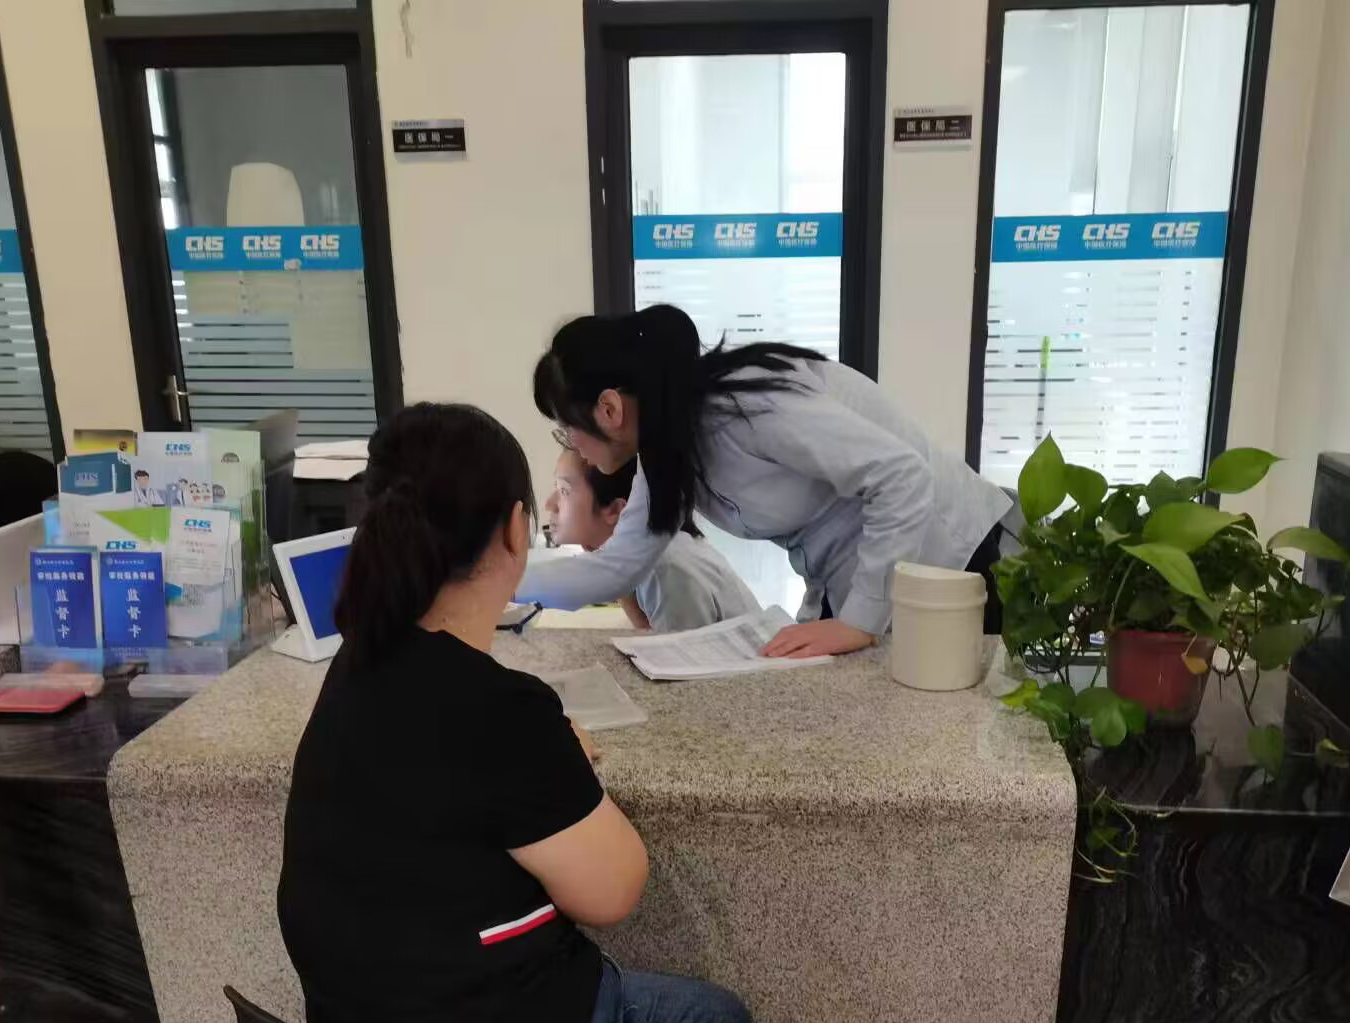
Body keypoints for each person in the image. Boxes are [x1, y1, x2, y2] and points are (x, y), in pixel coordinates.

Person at [277, 402, 751, 1023]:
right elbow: (614, 891)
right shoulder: (503, 709)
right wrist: (562, 751)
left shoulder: (355, 665)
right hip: (497, 1003)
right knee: (714, 1012)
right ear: (514, 530)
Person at [520, 304, 1012, 656]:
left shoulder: (744, 408)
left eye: (566, 429)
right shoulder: (665, 449)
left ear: (609, 409)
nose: (572, 446)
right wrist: (498, 578)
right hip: (863, 578)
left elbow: (902, 476)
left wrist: (859, 621)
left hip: (947, 564)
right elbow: (614, 569)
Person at [544, 443, 759, 632]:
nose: (549, 504)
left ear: (615, 510)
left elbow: (676, 658)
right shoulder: (649, 556)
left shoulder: (662, 566)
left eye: (564, 491)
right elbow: (651, 631)